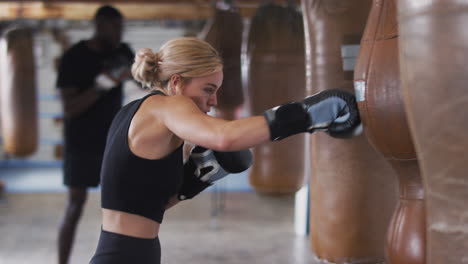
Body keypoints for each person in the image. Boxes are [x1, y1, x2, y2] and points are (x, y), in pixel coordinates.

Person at [89, 37, 362, 264]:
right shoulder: (168, 106)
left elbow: (143, 204)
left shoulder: (133, 113)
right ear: (176, 83)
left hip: (129, 253)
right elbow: (224, 137)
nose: (214, 100)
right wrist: (305, 115)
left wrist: (195, 179)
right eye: (208, 89)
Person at [56, 5, 134, 264]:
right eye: (115, 28)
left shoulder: (122, 52)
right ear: (100, 25)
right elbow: (70, 108)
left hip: (113, 141)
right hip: (81, 142)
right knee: (75, 205)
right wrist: (103, 84)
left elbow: (144, 79)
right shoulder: (74, 57)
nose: (119, 35)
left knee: (121, 206)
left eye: (122, 28)